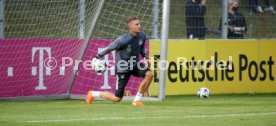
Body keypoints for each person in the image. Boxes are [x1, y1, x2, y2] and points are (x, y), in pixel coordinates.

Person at [85, 16, 153, 106]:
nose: (139, 25)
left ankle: (137, 100)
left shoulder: (142, 35)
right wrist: (96, 57)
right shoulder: (122, 40)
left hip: (135, 64)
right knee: (117, 98)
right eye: (136, 24)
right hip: (122, 68)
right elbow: (109, 48)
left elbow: (142, 48)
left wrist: (145, 57)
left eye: (139, 23)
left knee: (149, 74)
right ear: (130, 26)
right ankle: (93, 93)